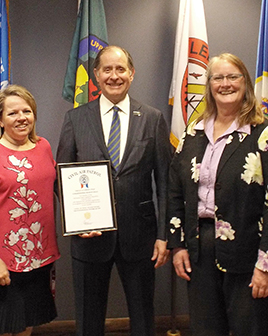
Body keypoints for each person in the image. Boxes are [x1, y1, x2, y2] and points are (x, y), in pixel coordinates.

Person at [167, 53, 268, 336]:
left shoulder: (265, 135)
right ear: (210, 85)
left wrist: (267, 265)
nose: (226, 84)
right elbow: (176, 190)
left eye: (233, 77)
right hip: (200, 253)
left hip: (251, 255)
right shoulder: (193, 133)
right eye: (218, 78)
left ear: (245, 83)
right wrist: (177, 246)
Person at [56, 45, 172, 336]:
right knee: (88, 321)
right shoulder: (76, 118)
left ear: (131, 74)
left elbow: (166, 182)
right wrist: (77, 220)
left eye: (121, 69)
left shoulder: (152, 118)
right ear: (96, 75)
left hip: (141, 237)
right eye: (107, 69)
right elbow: (62, 178)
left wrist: (162, 236)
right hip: (89, 238)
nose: (114, 75)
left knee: (144, 319)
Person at [0, 85, 60, 336]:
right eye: (13, 113)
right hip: (0, 260)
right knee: (2, 329)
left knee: (26, 326)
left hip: (39, 258)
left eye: (27, 111)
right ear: (0, 119)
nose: (21, 118)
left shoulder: (44, 147)